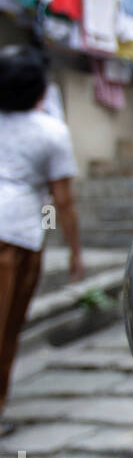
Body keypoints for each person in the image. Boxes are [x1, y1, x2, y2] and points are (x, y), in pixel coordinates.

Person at [0, 45, 82, 431]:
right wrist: (74, 252)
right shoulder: (51, 132)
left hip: (17, 232)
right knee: (7, 327)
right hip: (17, 234)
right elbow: (63, 202)